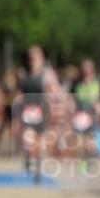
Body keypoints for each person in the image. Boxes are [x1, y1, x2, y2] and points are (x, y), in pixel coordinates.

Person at [16, 45, 60, 181]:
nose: (33, 60)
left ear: (41, 57)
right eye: (31, 57)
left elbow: (56, 90)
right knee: (27, 137)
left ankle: (38, 171)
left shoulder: (47, 73)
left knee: (41, 141)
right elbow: (20, 92)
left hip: (42, 109)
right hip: (27, 110)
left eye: (36, 57)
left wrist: (53, 101)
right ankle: (28, 155)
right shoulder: (23, 73)